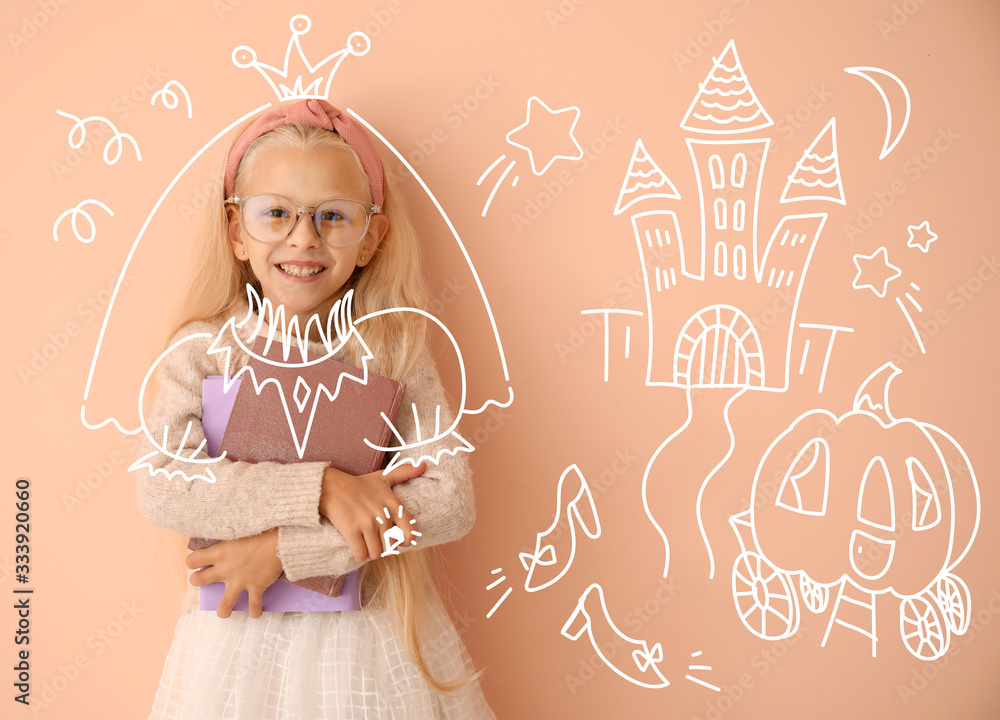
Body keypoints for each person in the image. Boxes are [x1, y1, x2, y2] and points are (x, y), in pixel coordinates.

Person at [133, 98, 495, 719]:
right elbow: (166, 486)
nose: (304, 238)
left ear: (370, 238)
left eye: (333, 216)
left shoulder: (394, 353)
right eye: (275, 213)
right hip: (234, 643)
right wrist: (322, 489)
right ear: (235, 232)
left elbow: (448, 502)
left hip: (375, 639)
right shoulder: (205, 354)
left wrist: (283, 551)